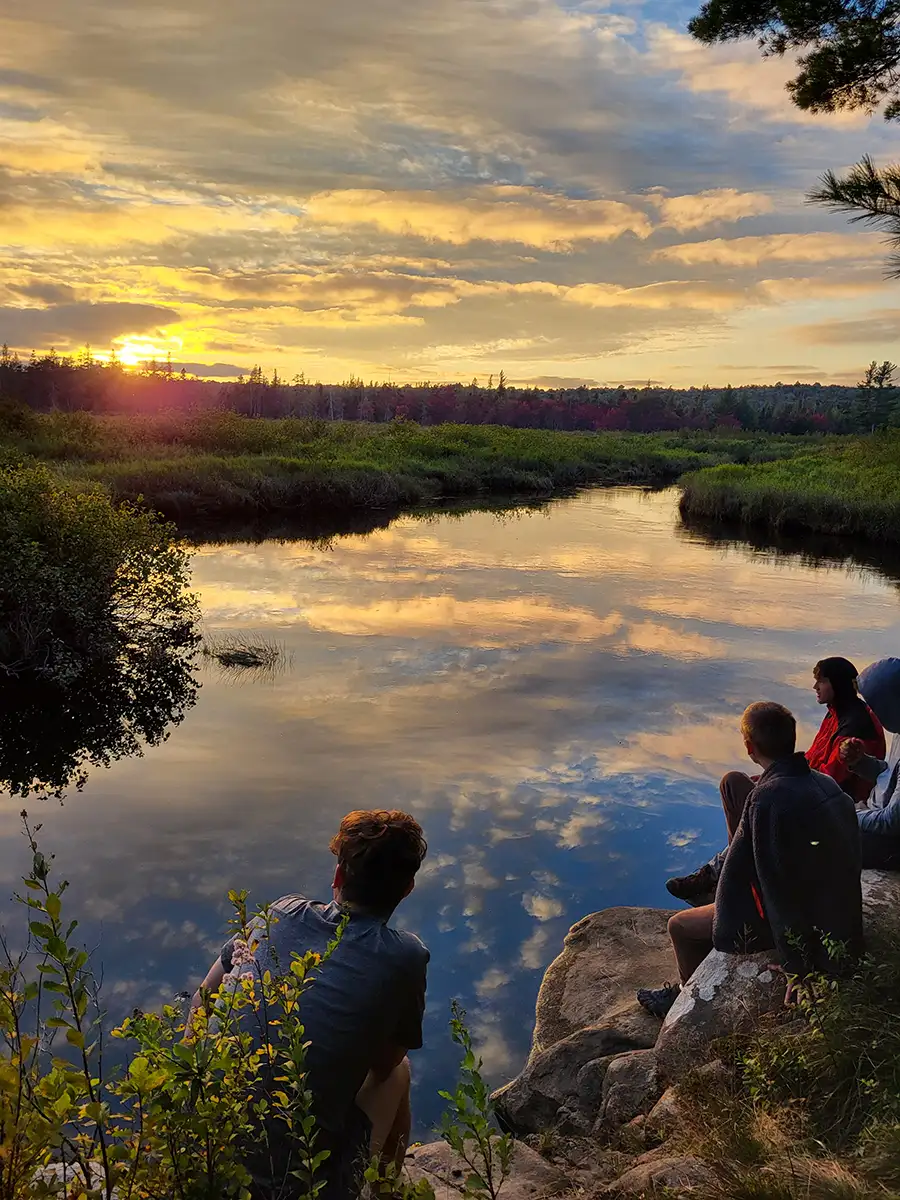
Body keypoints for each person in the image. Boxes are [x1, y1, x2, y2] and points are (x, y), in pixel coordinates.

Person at [191, 810, 429, 1200]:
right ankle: (385, 1192)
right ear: (407, 889)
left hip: (200, 1156)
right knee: (398, 1074)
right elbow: (385, 1063)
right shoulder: (405, 957)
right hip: (297, 1190)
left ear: (338, 876)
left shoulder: (279, 912)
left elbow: (203, 999)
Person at [638, 701, 864, 1018]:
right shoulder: (826, 784)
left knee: (679, 926)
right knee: (733, 787)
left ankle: (684, 1002)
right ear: (792, 738)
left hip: (805, 918)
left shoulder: (767, 800)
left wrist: (797, 965)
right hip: (830, 908)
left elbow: (777, 892)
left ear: (749, 747)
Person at [666, 657, 885, 903]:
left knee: (743, 791)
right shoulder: (838, 715)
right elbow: (813, 758)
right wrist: (771, 774)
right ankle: (730, 872)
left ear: (837, 683)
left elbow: (829, 782)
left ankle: (729, 876)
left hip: (828, 810)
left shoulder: (854, 728)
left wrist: (778, 779)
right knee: (739, 785)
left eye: (821, 681)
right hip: (812, 794)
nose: (815, 687)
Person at [852, 657, 900, 869]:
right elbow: (890, 776)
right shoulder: (899, 731)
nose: (871, 711)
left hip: (891, 844)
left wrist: (849, 814)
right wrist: (861, 762)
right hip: (876, 816)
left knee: (817, 839)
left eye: (874, 705)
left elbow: (892, 822)